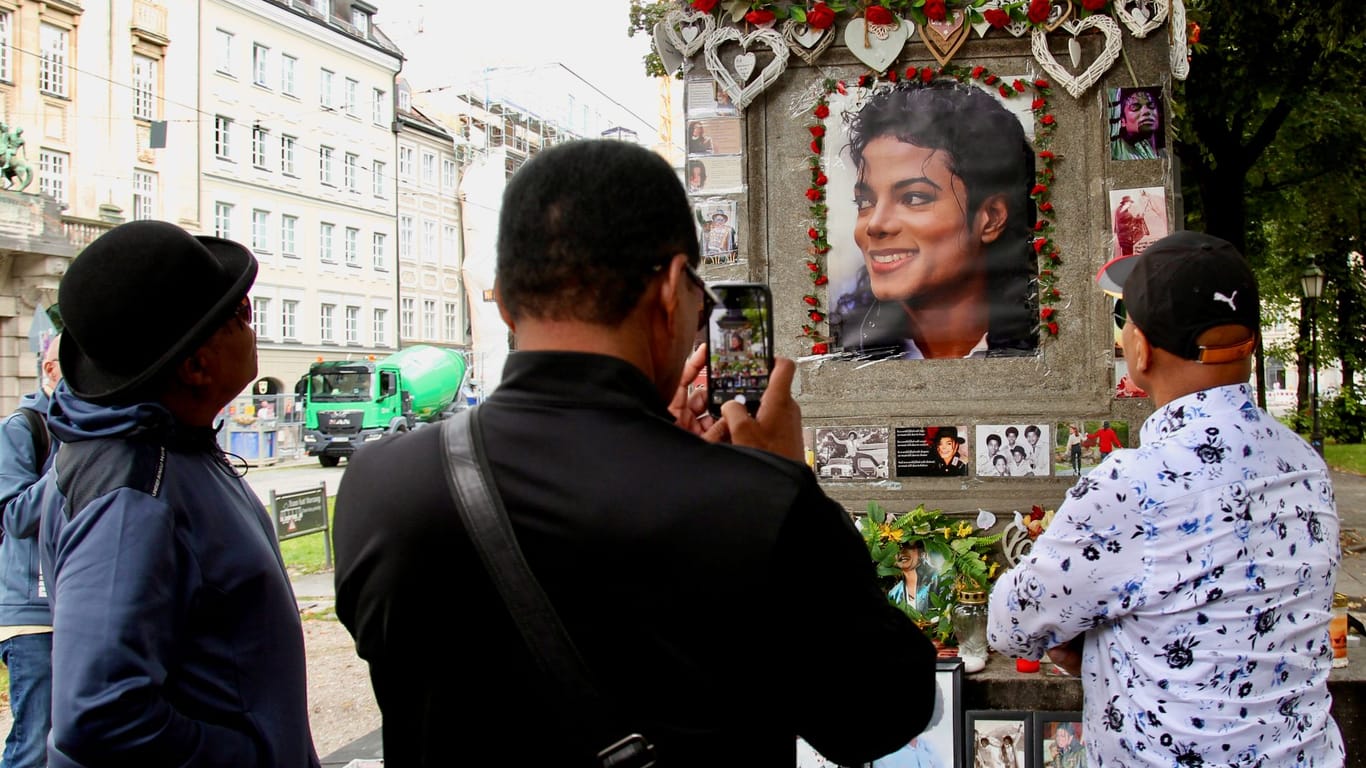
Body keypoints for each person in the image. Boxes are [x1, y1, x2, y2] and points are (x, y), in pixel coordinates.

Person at [332, 139, 936, 766]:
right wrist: (782, 479)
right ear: (674, 289)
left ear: (505, 301)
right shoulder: (756, 503)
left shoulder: (379, 484)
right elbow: (881, 712)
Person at [987, 232, 1345, 766]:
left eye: (1125, 319)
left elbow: (1010, 624)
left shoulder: (1133, 486)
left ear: (1142, 348)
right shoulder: (1305, 465)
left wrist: (1090, 645)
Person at [35, 220, 320, 767]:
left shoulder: (170, 447)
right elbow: (98, 712)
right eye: (242, 315)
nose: (252, 325)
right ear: (194, 366)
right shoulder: (131, 490)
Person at [837, 80, 1037, 358]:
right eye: (865, 202)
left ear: (990, 219)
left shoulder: (1047, 347)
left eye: (914, 198)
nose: (875, 225)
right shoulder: (840, 349)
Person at [0, 334, 62, 768]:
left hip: (76, 610)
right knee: (34, 742)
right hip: (30, 616)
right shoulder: (22, 427)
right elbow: (16, 516)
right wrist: (70, 461)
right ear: (50, 368)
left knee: (71, 737)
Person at [1110, 87, 1163, 161]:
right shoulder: (1117, 150)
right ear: (1122, 121)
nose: (1146, 111)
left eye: (1151, 105)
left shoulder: (1155, 151)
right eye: (1135, 107)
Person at [889, 540, 938, 613]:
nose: (902, 552)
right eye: (898, 548)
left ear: (921, 551)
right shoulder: (894, 594)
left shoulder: (938, 579)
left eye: (908, 546)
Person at [1113, 194, 1149, 259]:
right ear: (1126, 203)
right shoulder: (1124, 213)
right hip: (1126, 238)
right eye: (1130, 203)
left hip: (1123, 237)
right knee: (1128, 256)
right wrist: (1140, 218)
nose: (1130, 205)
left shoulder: (1119, 209)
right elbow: (1131, 220)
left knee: (1126, 255)